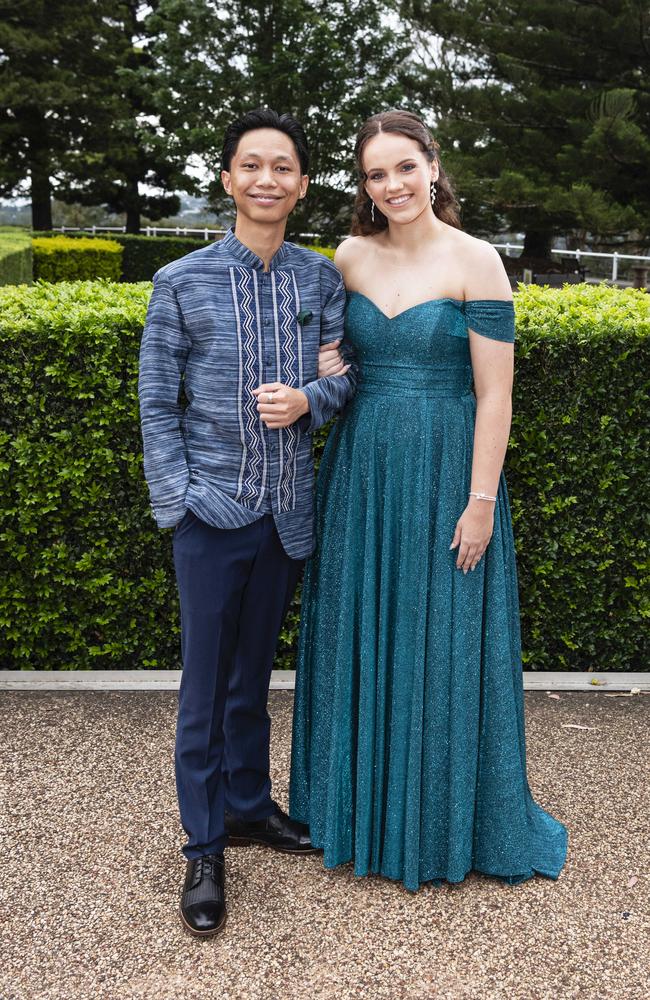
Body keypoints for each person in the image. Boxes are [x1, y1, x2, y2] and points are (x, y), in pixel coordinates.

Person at [289, 110, 568, 892]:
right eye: (376, 175)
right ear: (364, 186)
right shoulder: (348, 255)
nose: (393, 186)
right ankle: (355, 808)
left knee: (443, 639)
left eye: (404, 168)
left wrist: (480, 502)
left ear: (433, 166)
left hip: (451, 470)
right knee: (362, 628)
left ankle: (442, 822)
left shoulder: (478, 261)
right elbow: (336, 366)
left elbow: (496, 396)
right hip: (363, 473)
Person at [138, 108, 356, 936]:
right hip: (209, 514)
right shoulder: (181, 282)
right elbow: (157, 402)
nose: (268, 180)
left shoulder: (320, 281)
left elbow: (346, 378)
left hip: (286, 517)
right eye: (252, 166)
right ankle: (202, 845)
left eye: (284, 168)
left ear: (302, 185)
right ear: (228, 179)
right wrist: (179, 502)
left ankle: (250, 806)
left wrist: (310, 398)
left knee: (253, 680)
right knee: (203, 687)